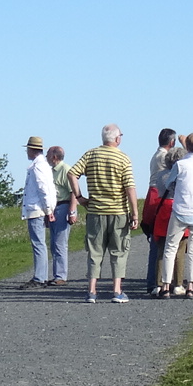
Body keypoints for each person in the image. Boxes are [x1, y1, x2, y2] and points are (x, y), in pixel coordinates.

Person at [67, 124, 140, 303]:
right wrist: (135, 213)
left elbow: (72, 173)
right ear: (117, 138)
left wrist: (79, 197)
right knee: (119, 251)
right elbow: (130, 187)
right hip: (118, 212)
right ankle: (117, 290)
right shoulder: (123, 158)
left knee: (94, 252)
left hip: (95, 212)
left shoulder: (91, 154)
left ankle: (92, 290)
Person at [157, 133, 193, 298]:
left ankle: (166, 285)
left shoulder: (180, 165)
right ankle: (191, 286)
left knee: (170, 247)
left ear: (187, 146)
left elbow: (169, 183)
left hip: (181, 209)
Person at [20, 136, 58, 288]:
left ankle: (39, 277)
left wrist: (48, 210)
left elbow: (44, 189)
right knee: (40, 243)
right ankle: (41, 276)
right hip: (41, 208)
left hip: (37, 209)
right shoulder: (43, 165)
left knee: (38, 244)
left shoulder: (37, 167)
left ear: (31, 150)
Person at [145, 128, 178, 293]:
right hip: (161, 197)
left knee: (158, 241)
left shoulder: (156, 155)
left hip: (154, 196)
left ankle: (156, 281)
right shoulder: (165, 157)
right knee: (160, 243)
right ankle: (156, 281)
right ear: (172, 142)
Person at [44, 145, 78, 286]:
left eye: (47, 154)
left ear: (54, 156)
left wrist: (72, 211)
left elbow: (73, 191)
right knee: (53, 243)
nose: (46, 157)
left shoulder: (65, 170)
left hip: (63, 206)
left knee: (60, 243)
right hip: (54, 208)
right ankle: (56, 274)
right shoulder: (51, 171)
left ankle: (60, 276)